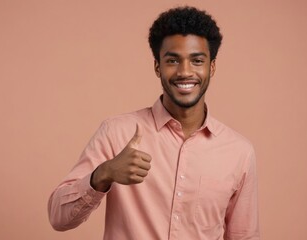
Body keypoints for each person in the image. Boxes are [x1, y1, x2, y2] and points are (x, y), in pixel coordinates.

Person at [48, 6, 259, 240]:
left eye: (197, 60)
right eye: (173, 60)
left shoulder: (239, 152)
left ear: (212, 67)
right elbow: (59, 217)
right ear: (158, 67)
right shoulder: (117, 133)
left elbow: (244, 236)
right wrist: (104, 173)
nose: (185, 72)